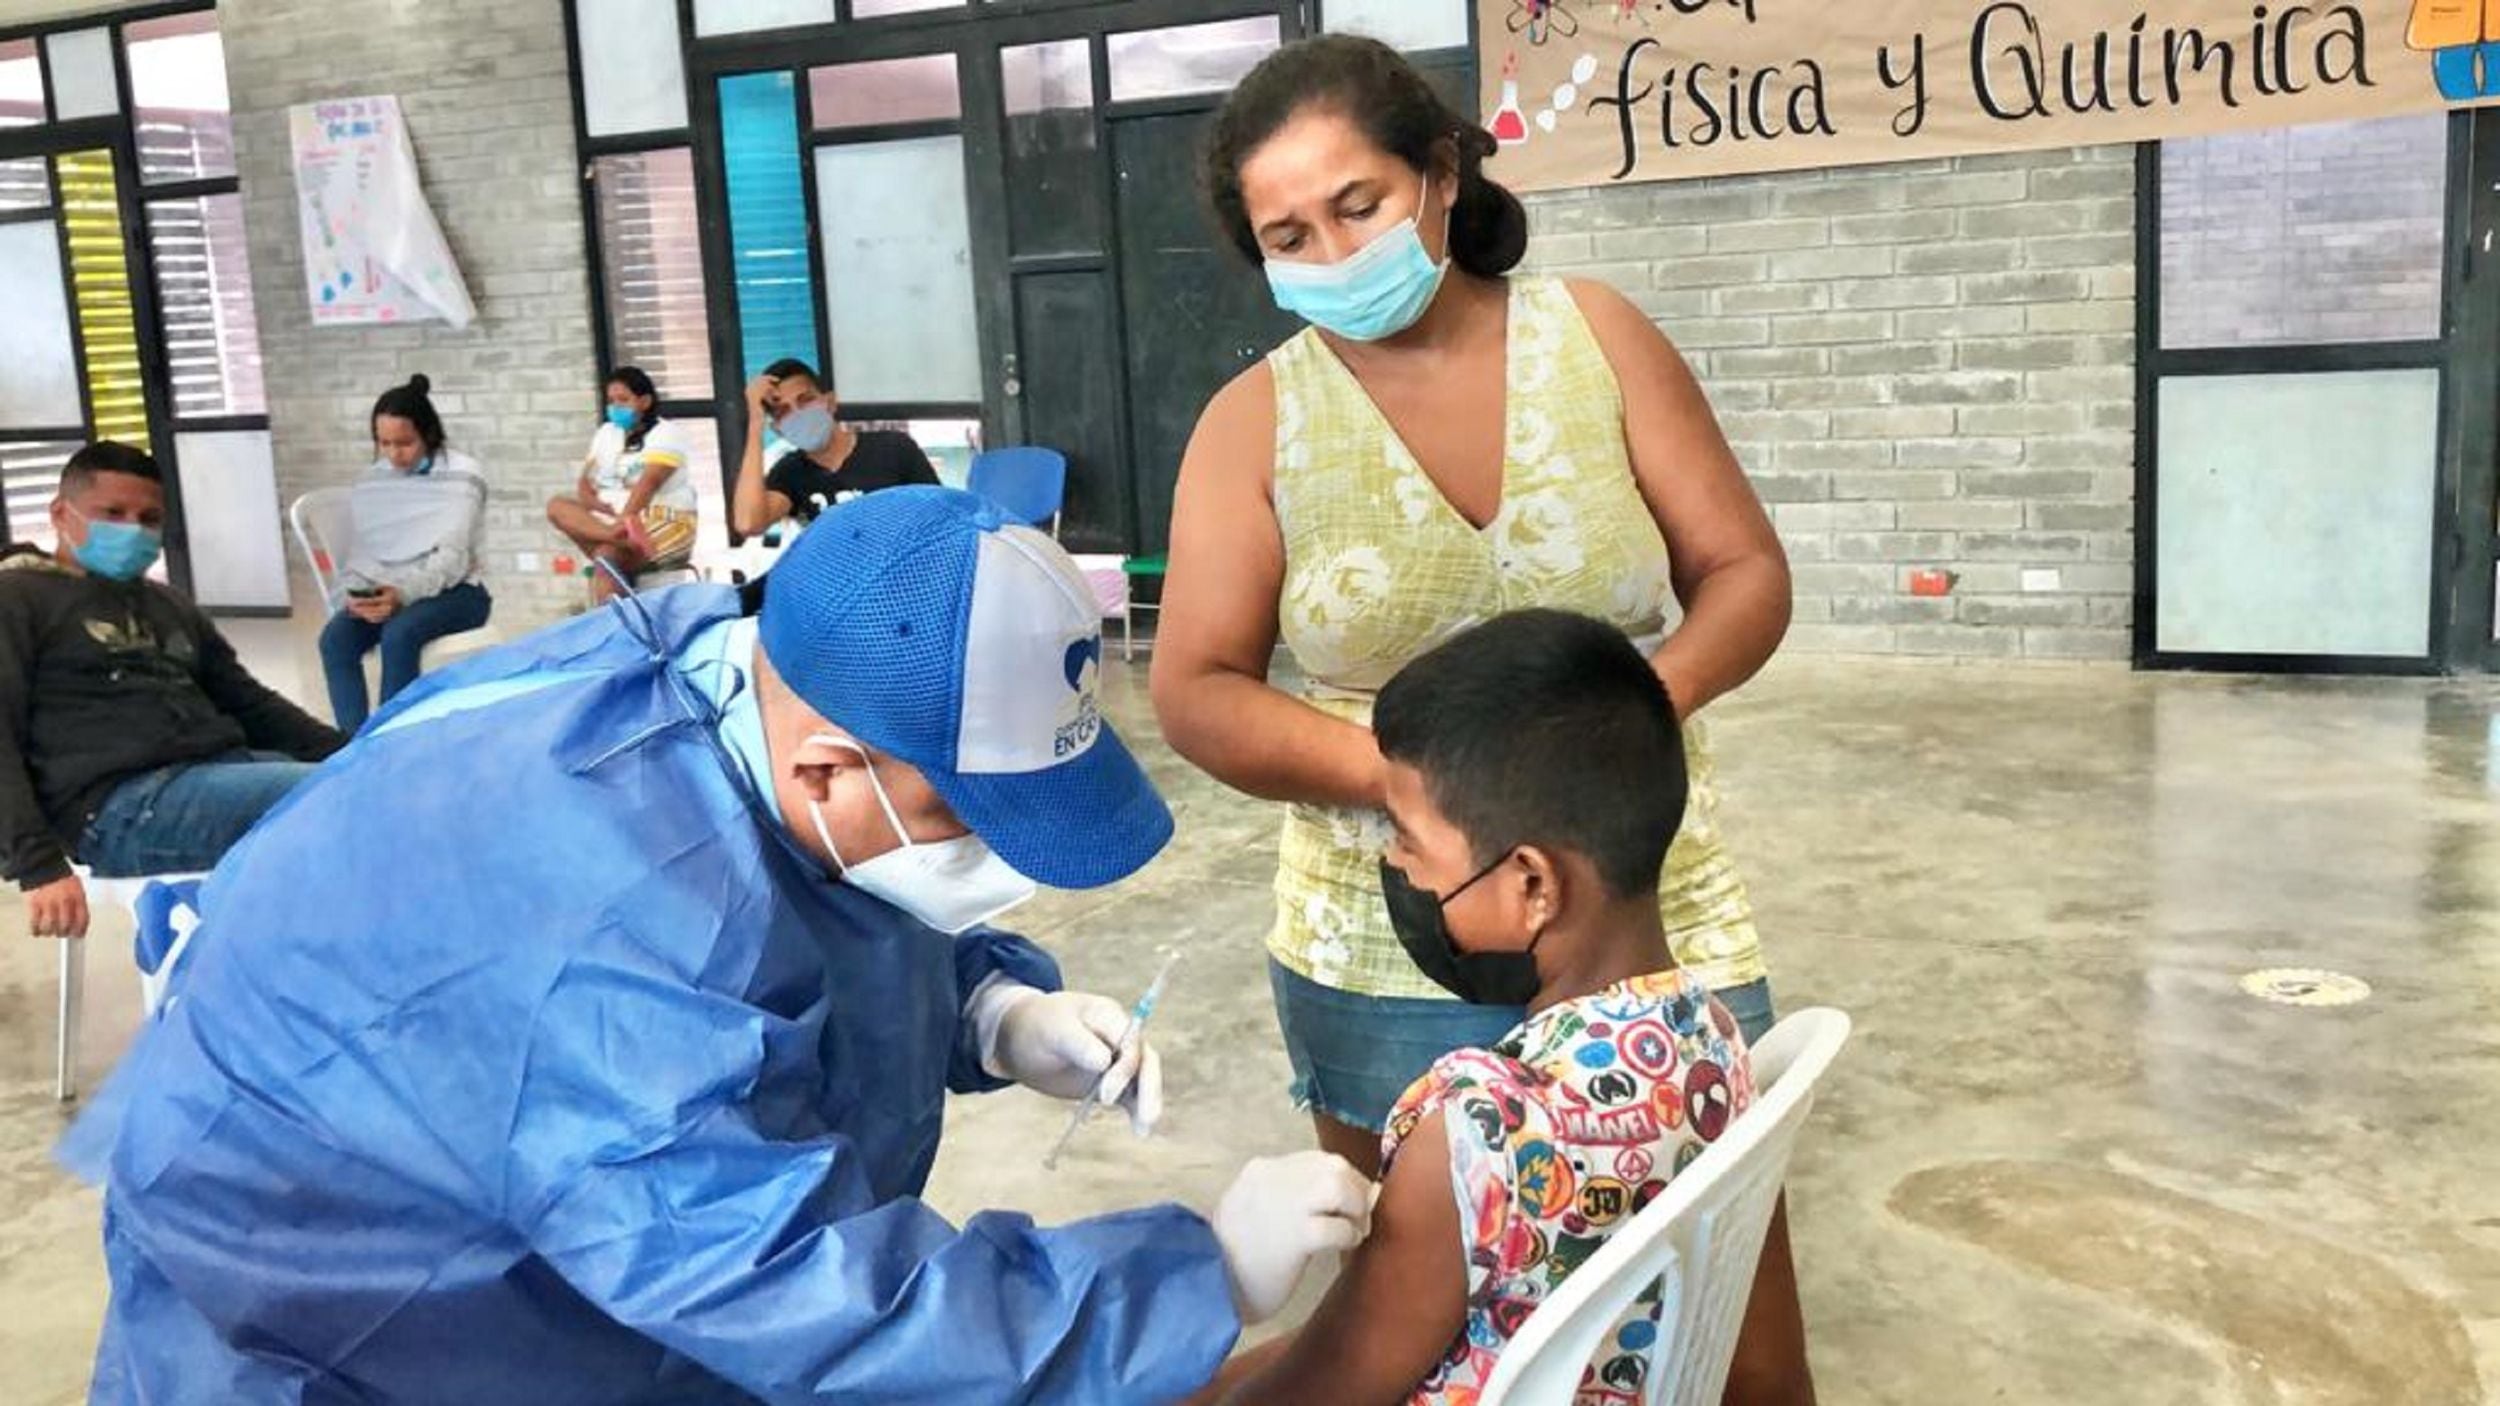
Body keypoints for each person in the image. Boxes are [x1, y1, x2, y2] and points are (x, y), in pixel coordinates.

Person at [72, 486, 1372, 1405]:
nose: (996, 863)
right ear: (829, 762)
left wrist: (982, 1007)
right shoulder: (616, 933)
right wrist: (1194, 1271)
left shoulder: (736, 667)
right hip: (332, 1303)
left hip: (497, 1153)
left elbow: (817, 888)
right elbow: (790, 1284)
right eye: (966, 819)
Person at [1150, 34, 1810, 1403]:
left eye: (1358, 204)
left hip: (1636, 887)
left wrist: (1624, 718)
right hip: (1388, 921)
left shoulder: (1598, 338)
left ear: (1440, 178)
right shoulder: (1254, 422)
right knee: (1404, 1319)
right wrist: (1403, 786)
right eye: (1288, 233)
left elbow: (1744, 572)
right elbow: (1195, 686)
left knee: (1722, 1279)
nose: (1331, 249)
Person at [1192, 609, 1761, 1405]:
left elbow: (1316, 1390)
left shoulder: (1475, 1134)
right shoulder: (1714, 1041)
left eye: (1411, 840)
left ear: (1533, 884)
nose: (1394, 863)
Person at [2, 441, 343, 941]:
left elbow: (249, 703)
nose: (132, 530)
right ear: (60, 513)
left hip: (215, 771)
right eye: (112, 513)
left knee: (362, 786)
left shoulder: (167, 604)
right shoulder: (19, 597)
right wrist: (37, 865)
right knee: (330, 802)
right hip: (118, 805)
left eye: (148, 518)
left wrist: (361, 750)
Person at [317, 373, 495, 731]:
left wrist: (403, 594)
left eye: (404, 443)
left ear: (428, 435)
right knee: (335, 639)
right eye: (384, 443)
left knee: (399, 633)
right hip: (387, 593)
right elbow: (362, 553)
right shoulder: (374, 479)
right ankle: (352, 746)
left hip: (458, 593)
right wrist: (354, 595)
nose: (394, 454)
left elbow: (453, 558)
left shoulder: (462, 476)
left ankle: (391, 739)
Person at [733, 357, 938, 538]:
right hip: (835, 580)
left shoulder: (894, 448)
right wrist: (755, 425)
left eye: (805, 400)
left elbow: (943, 513)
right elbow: (748, 523)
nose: (798, 414)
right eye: (784, 411)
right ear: (778, 430)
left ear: (830, 402)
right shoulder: (789, 473)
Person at [545, 365, 699, 602]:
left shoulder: (667, 434)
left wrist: (623, 521)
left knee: (605, 556)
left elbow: (648, 485)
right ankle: (617, 538)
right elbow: (585, 486)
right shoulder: (606, 433)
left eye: (623, 400)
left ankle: (617, 631)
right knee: (557, 505)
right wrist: (606, 519)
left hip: (661, 518)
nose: (615, 407)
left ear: (645, 401)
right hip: (614, 523)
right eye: (611, 401)